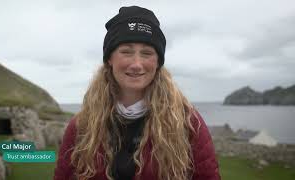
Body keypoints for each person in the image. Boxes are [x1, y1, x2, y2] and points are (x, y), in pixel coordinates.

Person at [54, 6, 220, 180]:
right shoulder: (82, 126)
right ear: (110, 58)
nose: (136, 64)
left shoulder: (187, 123)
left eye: (147, 53)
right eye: (126, 52)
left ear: (158, 62)